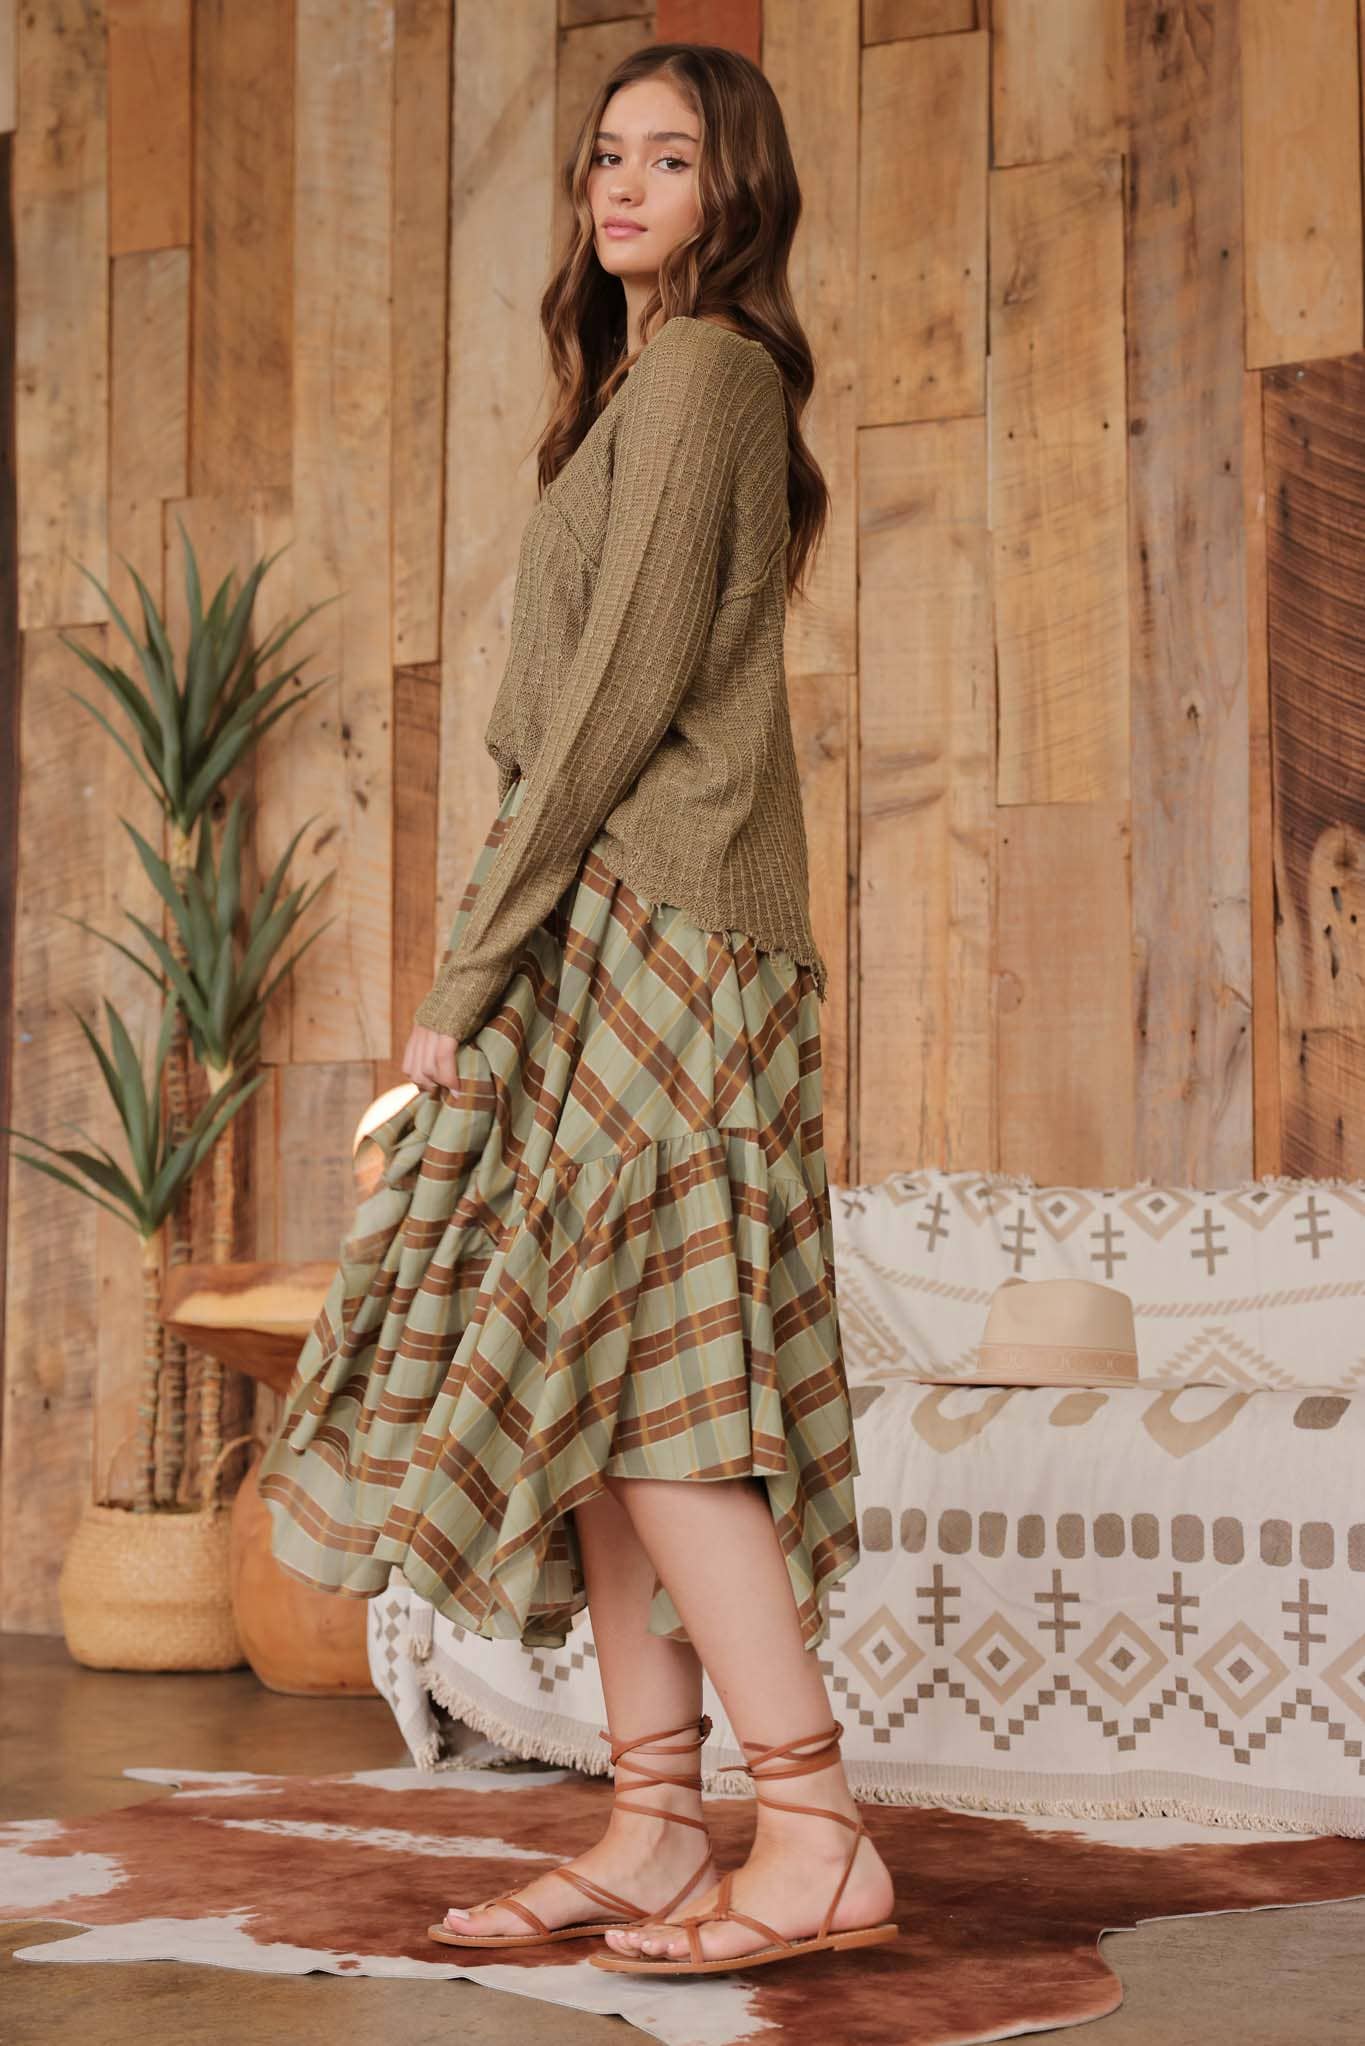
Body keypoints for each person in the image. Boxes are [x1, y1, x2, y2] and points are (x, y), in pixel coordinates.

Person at [256, 41, 897, 1976]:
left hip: (667, 932)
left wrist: (465, 976)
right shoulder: (636, 391)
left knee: (667, 1383)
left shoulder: (705, 370)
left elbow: (614, 702)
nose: (620, 186)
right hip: (604, 924)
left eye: (668, 158)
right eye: (605, 156)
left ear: (734, 193)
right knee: (617, 1384)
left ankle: (814, 1824)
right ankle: (650, 1816)